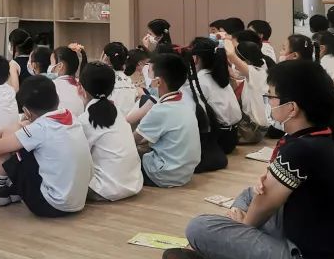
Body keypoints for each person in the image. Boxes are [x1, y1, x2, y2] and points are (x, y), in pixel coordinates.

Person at [164, 59, 334, 259]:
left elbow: (263, 207)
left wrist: (238, 232)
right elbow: (266, 196)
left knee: (199, 228)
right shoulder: (321, 137)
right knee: (249, 194)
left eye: (272, 97)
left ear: (292, 108)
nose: (269, 102)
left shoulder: (301, 149)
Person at [0, 75, 92, 217]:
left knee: (13, 142)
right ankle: (11, 189)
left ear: (26, 112)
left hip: (49, 205)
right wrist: (1, 131)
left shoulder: (40, 129)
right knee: (20, 138)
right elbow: (28, 125)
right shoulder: (70, 116)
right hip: (78, 201)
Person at [131, 54, 201, 188]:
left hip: (163, 174)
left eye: (149, 74)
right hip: (185, 173)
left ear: (158, 82)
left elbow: (133, 140)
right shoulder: (185, 103)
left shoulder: (160, 110)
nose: (148, 81)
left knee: (124, 155)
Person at [78, 62, 143, 201]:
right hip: (134, 184)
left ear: (80, 88)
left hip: (104, 191)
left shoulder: (84, 120)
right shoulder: (118, 113)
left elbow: (77, 157)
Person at [186, 37, 242, 152]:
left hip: (217, 140)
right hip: (233, 136)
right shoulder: (220, 76)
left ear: (195, 58)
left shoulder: (200, 80)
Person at [225, 38, 271, 143]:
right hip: (255, 129)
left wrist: (226, 39)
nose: (235, 66)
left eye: (238, 61)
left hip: (251, 130)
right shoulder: (260, 71)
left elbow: (231, 55)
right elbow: (234, 74)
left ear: (247, 61)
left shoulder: (255, 73)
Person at [102, 42, 139, 118]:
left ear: (107, 58)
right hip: (128, 123)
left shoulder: (104, 79)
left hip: (110, 121)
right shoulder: (129, 80)